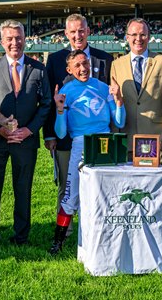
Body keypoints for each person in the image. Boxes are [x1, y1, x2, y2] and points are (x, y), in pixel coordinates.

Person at [49, 50, 125, 254]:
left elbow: (119, 121)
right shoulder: (66, 91)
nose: (83, 69)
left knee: (107, 192)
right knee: (70, 194)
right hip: (80, 145)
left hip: (105, 143)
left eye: (86, 64)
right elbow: (61, 132)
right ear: (69, 69)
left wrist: (118, 100)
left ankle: (109, 237)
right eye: (78, 66)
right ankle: (58, 240)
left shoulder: (102, 87)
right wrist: (59, 109)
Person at [44, 13, 113, 236]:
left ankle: (98, 224)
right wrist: (49, 135)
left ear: (88, 31)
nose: (77, 35)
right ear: (66, 34)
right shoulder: (55, 61)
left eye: (81, 30)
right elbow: (49, 99)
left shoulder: (105, 58)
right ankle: (67, 230)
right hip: (67, 136)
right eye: (72, 31)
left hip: (100, 136)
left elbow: (111, 96)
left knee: (100, 182)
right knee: (67, 184)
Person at [0, 20, 51, 246]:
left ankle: (21, 235)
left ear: (25, 39)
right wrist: (0, 130)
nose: (15, 43)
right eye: (10, 39)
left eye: (19, 38)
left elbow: (46, 104)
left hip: (26, 140)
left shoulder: (38, 68)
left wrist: (29, 130)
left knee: (23, 188)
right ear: (2, 41)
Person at [110, 18, 162, 155]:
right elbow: (115, 102)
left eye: (143, 34)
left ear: (149, 37)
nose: (138, 39)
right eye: (134, 35)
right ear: (127, 37)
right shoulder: (116, 64)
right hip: (125, 139)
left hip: (154, 137)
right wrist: (114, 136)